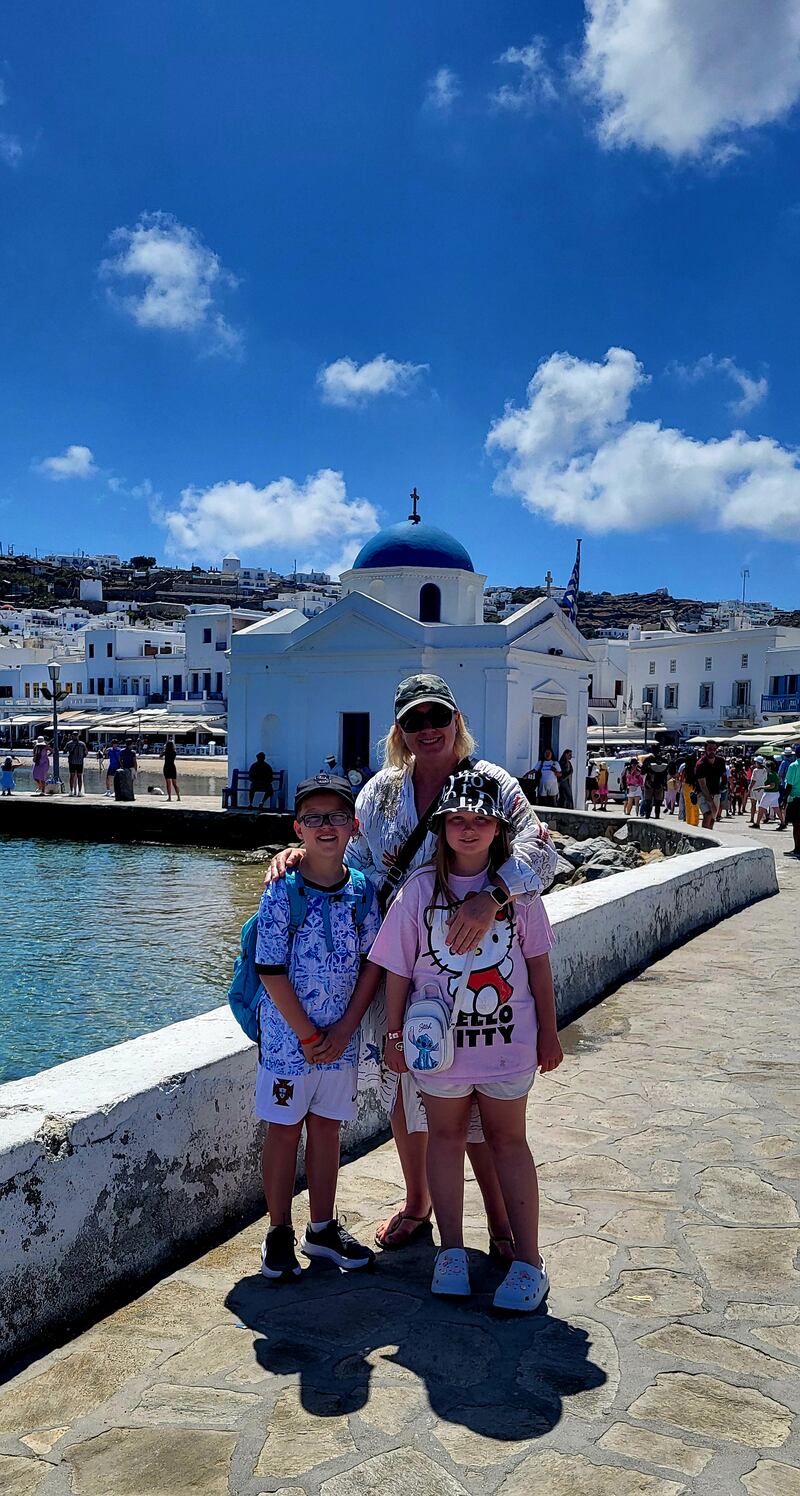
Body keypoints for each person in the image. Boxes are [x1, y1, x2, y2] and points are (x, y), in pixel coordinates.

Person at [267, 672, 557, 1255]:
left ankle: (501, 1226)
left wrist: (492, 894)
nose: (428, 729)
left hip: (482, 975)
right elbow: (354, 863)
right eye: (414, 721)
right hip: (405, 971)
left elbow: (544, 850)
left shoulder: (493, 784)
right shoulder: (379, 795)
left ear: (457, 722)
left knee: (474, 1109)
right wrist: (303, 853)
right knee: (409, 1094)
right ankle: (419, 1203)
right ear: (399, 730)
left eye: (438, 717)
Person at [370, 770, 562, 1312]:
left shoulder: (520, 895)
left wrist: (549, 1031)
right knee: (445, 1140)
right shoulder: (417, 891)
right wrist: (392, 1035)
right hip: (438, 1050)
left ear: (499, 827)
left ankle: (529, 1260)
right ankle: (451, 1250)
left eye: (481, 819)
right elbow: (397, 970)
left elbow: (539, 967)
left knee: (509, 1143)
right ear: (442, 826)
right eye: (458, 819)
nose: (469, 829)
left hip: (507, 1044)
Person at [255, 774, 381, 1281]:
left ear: (353, 826)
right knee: (284, 1130)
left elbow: (374, 960)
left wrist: (346, 1028)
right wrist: (307, 1033)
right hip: (289, 1042)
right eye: (313, 818)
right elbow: (269, 968)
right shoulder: (281, 890)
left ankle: (322, 1227)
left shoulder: (362, 890)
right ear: (297, 828)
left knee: (327, 1128)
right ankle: (279, 1231)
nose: (325, 826)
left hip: (340, 1041)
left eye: (335, 817)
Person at [695, 740, 726, 830]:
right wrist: (711, 802)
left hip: (715, 792)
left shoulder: (720, 761)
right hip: (702, 793)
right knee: (707, 814)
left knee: (713, 818)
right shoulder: (700, 764)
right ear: (705, 750)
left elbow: (724, 776)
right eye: (709, 749)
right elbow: (703, 786)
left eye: (714, 749)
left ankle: (709, 834)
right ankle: (703, 837)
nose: (712, 751)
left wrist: (724, 785)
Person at [641, 746, 668, 820]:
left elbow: (642, 772)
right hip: (660, 783)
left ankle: (647, 816)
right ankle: (657, 816)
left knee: (648, 801)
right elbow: (665, 773)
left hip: (649, 783)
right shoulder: (663, 760)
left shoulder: (648, 760)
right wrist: (665, 784)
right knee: (658, 802)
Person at [783, 743, 800, 857]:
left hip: (796, 799)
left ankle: (797, 848)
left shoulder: (794, 766)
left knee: (797, 825)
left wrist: (784, 799)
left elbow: (789, 784)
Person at [755, 758, 781, 829]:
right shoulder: (775, 774)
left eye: (765, 766)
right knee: (776, 808)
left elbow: (772, 785)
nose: (764, 768)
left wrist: (761, 787)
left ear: (769, 767)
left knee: (761, 807)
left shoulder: (770, 774)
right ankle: (783, 822)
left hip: (769, 793)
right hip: (775, 793)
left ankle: (757, 823)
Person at [678, 753, 700, 827]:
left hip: (686, 786)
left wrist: (679, 786)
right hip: (695, 786)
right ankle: (695, 821)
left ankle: (689, 820)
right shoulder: (697, 768)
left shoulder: (685, 768)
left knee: (688, 804)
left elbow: (681, 779)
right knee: (695, 804)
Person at [114, 737, 138, 802]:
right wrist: (135, 769)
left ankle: (124, 794)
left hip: (125, 768)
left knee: (124, 782)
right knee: (131, 782)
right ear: (131, 744)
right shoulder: (132, 752)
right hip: (131, 768)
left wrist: (122, 766)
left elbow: (120, 760)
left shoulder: (122, 751)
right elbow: (134, 761)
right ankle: (131, 795)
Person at [747, 756, 768, 826]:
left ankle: (752, 818)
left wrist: (749, 788)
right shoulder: (765, 771)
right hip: (762, 788)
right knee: (762, 804)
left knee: (753, 804)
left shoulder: (755, 770)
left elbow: (753, 780)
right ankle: (765, 816)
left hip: (755, 788)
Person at [776, 747, 793, 832]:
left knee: (782, 804)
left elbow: (780, 774)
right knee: (787, 804)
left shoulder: (784, 763)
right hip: (792, 786)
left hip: (783, 785)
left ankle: (783, 821)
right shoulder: (793, 762)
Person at [162, 737, 181, 802]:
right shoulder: (174, 752)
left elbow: (160, 755)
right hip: (172, 767)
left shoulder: (165, 752)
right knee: (174, 783)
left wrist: (164, 749)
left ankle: (169, 797)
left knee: (168, 783)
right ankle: (178, 797)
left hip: (167, 766)